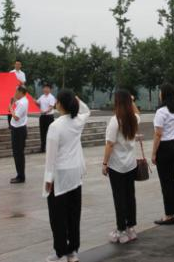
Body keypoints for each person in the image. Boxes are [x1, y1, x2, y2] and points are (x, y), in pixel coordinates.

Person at [44, 90, 91, 262]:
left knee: (58, 215)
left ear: (60, 104)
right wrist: (78, 99)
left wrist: (48, 179)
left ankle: (60, 250)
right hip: (75, 173)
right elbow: (86, 111)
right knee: (73, 212)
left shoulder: (55, 126)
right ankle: (73, 251)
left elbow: (51, 156)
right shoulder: (77, 120)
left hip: (60, 175)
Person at [102, 89, 140, 244]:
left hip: (117, 166)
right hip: (131, 164)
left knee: (119, 197)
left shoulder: (115, 120)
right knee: (130, 196)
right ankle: (131, 228)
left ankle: (121, 230)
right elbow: (137, 113)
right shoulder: (133, 119)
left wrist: (105, 163)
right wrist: (132, 101)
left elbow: (109, 144)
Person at [151, 83, 174, 226]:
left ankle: (169, 216)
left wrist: (153, 153)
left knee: (166, 183)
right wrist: (173, 97)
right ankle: (171, 213)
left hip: (163, 148)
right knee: (171, 181)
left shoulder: (161, 111)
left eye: (160, 92)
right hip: (173, 146)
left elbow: (158, 134)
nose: (159, 94)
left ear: (163, 94)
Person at [9, 86, 29, 184]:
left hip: (18, 130)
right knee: (18, 153)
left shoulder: (22, 103)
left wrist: (10, 108)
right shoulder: (23, 101)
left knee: (18, 154)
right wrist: (13, 102)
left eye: (16, 91)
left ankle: (21, 177)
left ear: (21, 92)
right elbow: (16, 103)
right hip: (18, 129)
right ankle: (20, 175)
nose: (15, 93)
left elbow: (16, 117)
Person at [38, 84, 57, 153]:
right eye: (44, 88)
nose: (45, 89)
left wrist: (45, 111)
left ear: (50, 89)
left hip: (49, 117)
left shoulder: (51, 97)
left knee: (49, 133)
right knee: (42, 132)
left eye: (47, 88)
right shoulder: (41, 97)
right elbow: (37, 103)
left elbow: (51, 107)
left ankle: (50, 148)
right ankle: (42, 148)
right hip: (42, 117)